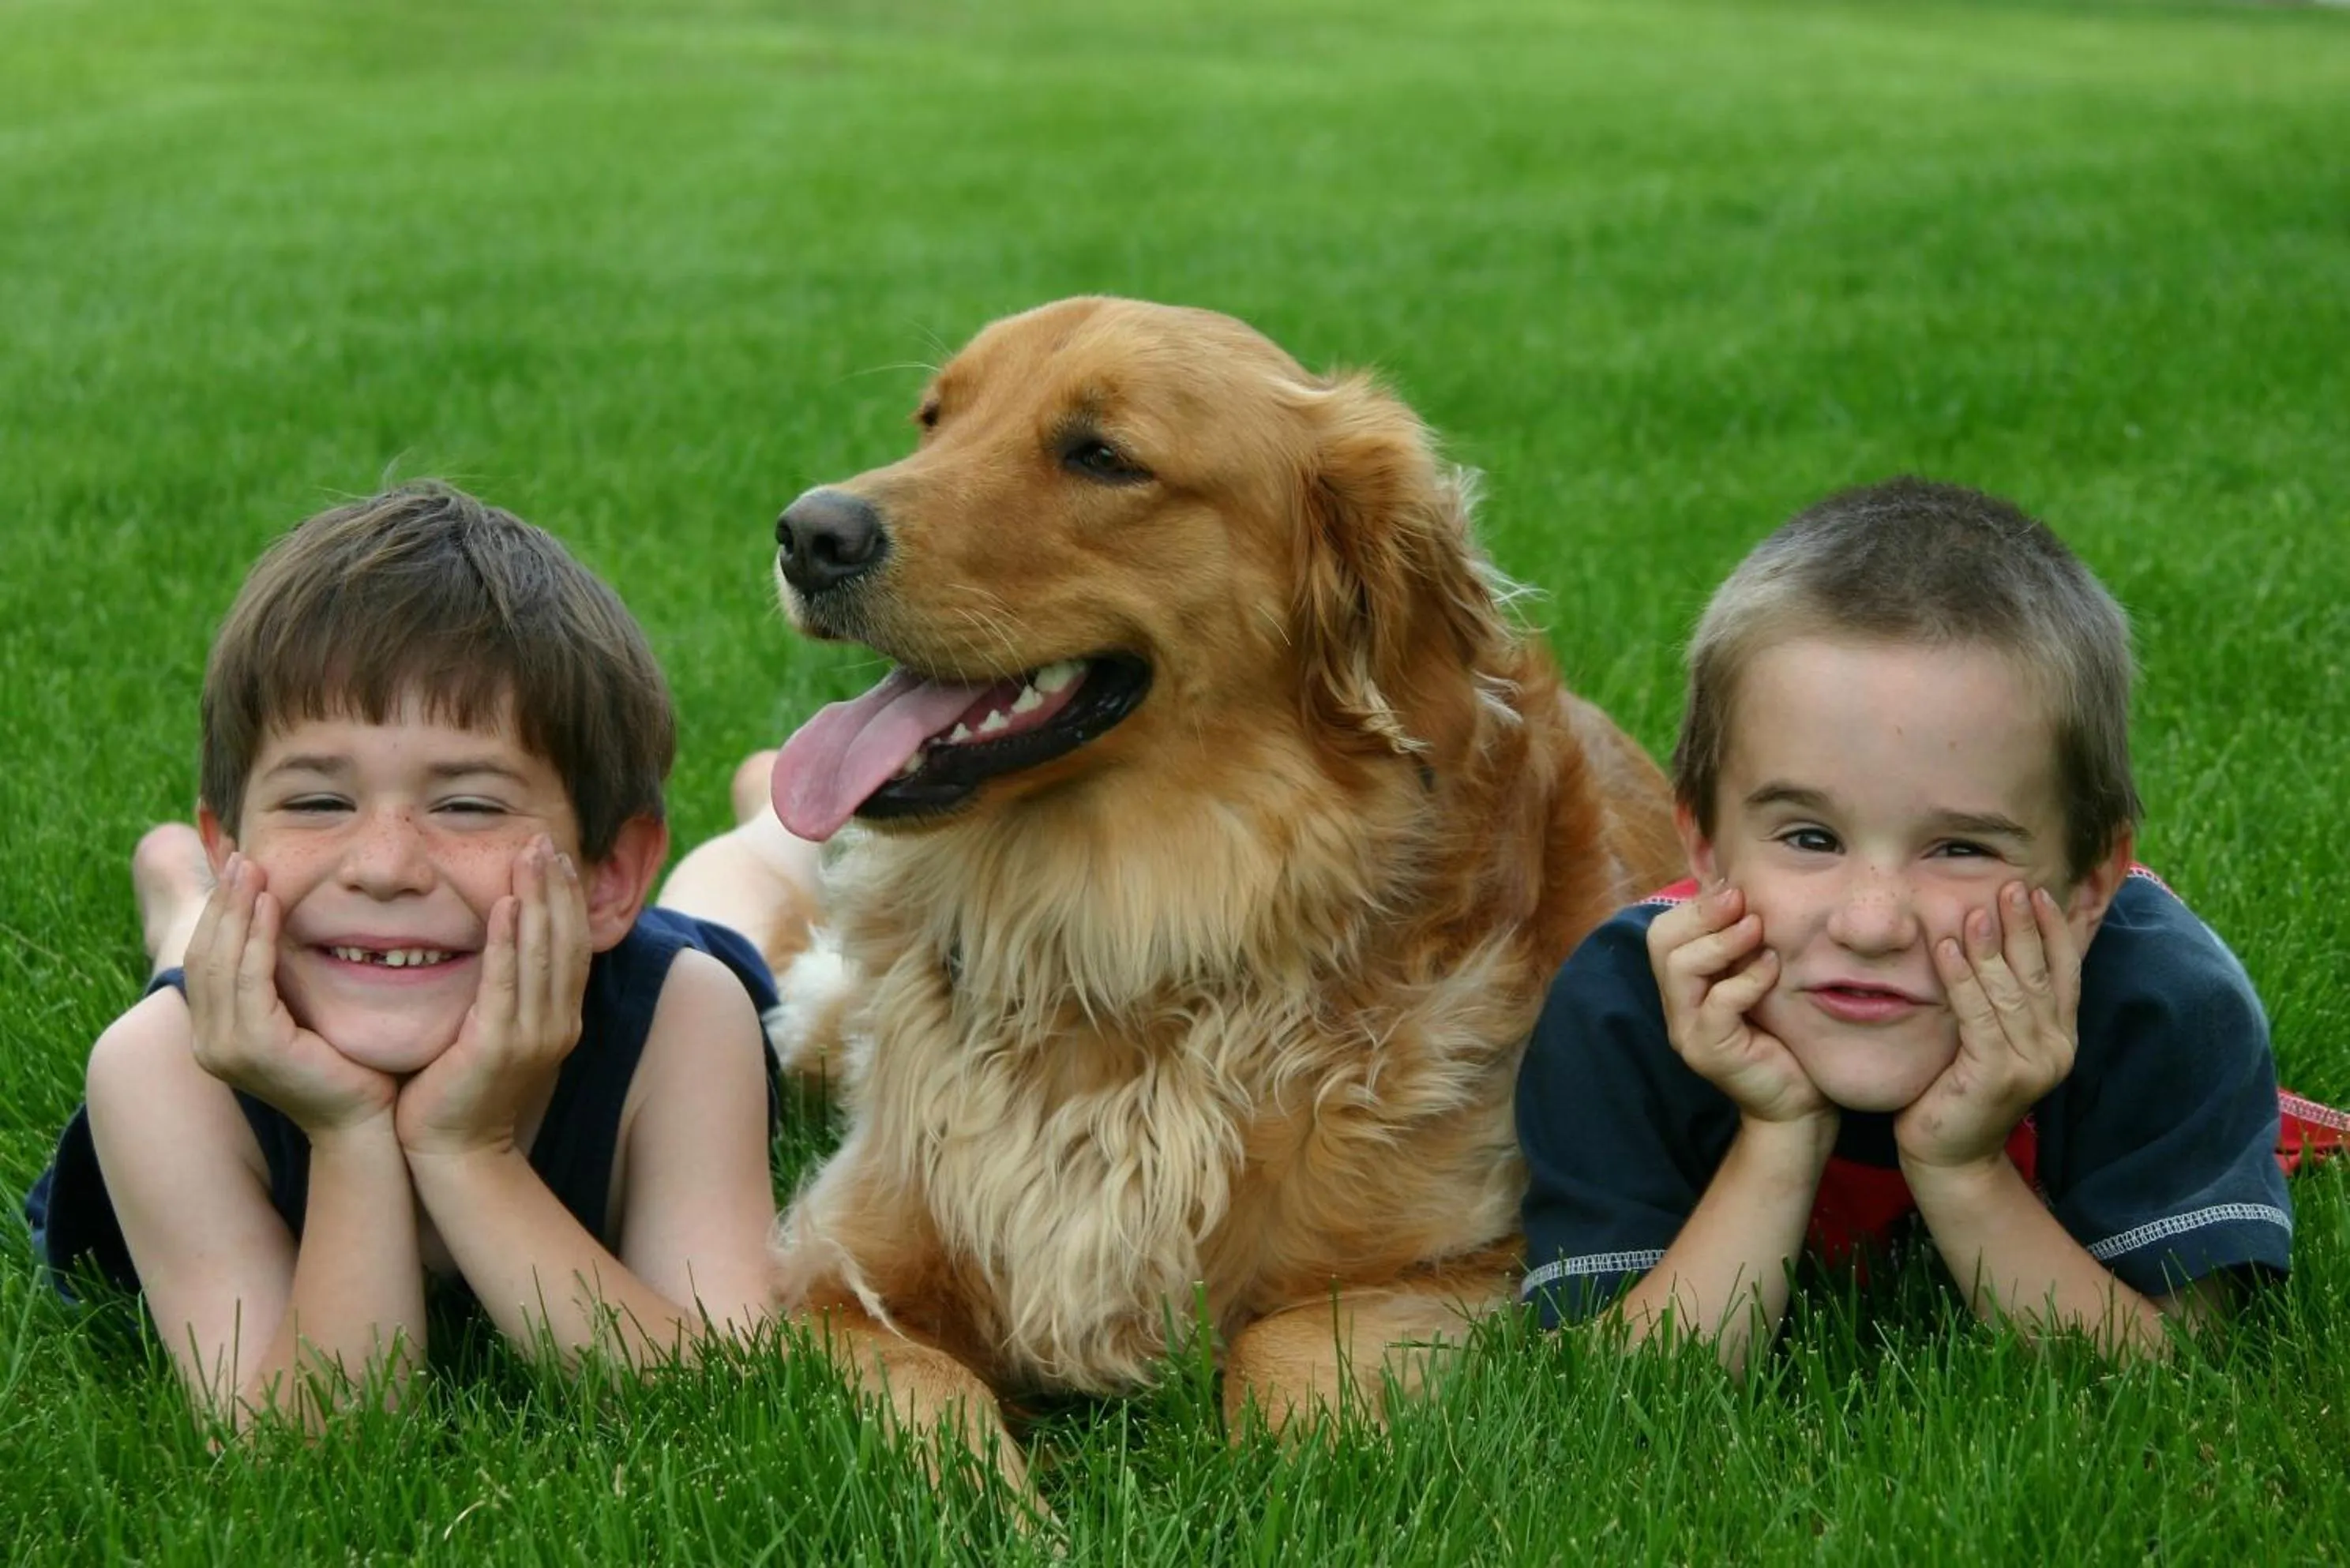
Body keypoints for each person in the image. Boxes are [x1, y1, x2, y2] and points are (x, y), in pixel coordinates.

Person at [23, 482, 824, 1429]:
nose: (386, 866)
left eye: (470, 804)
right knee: (204, 955)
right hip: (295, 957)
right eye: (319, 802)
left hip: (584, 949)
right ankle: (182, 896)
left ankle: (776, 817)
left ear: (608, 878)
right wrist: (348, 1134)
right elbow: (303, 1447)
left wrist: (466, 1147)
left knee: (730, 897)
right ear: (231, 842)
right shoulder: (159, 1071)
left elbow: (715, 1389)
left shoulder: (683, 1018)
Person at [1515, 477, 2299, 1369]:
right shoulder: (1622, 1009)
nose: (1873, 920)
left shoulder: (2161, 1006)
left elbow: (2169, 1369)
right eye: (1811, 837)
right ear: (1703, 845)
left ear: (2089, 884)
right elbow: (1627, 1390)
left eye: (1961, 849)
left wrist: (1963, 1170)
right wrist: (1777, 1135)